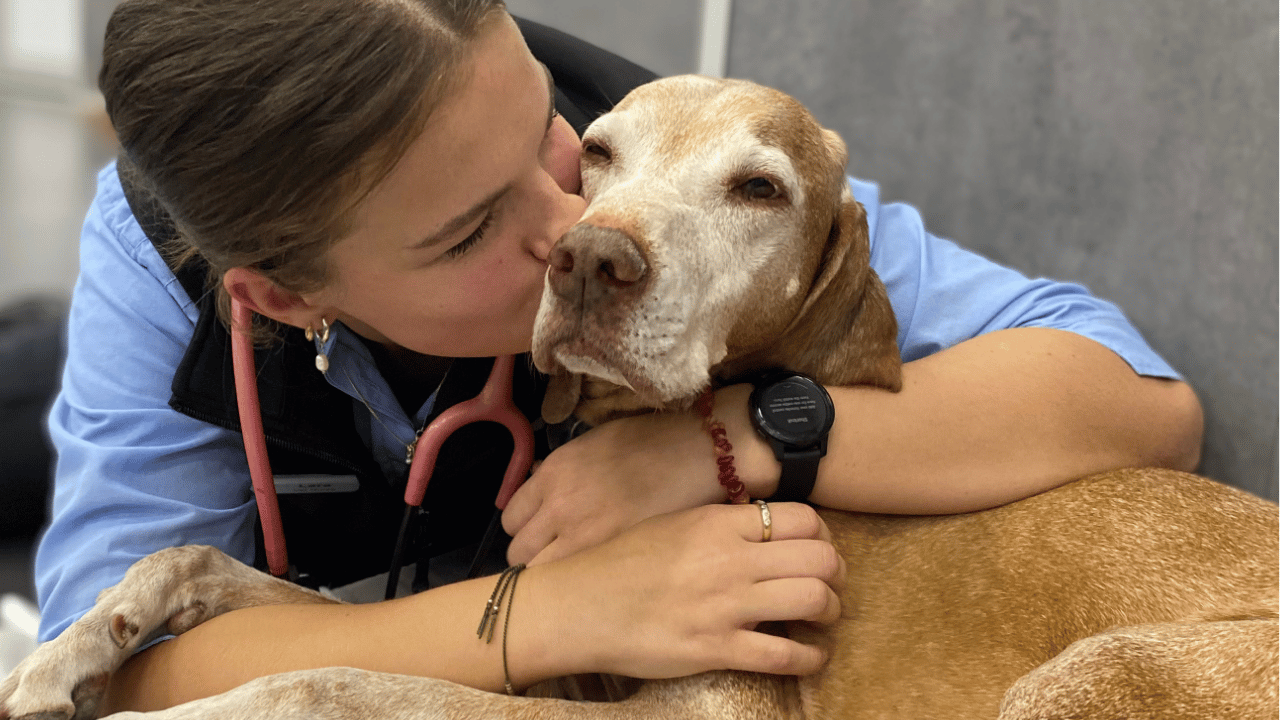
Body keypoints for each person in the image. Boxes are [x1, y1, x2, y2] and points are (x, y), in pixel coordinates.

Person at [34, 0, 1203, 713]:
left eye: (554, 145)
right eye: (468, 230)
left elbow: (1133, 399)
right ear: (283, 295)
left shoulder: (667, 145)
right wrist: (546, 614)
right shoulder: (165, 263)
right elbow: (104, 672)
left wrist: (725, 447)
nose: (580, 233)